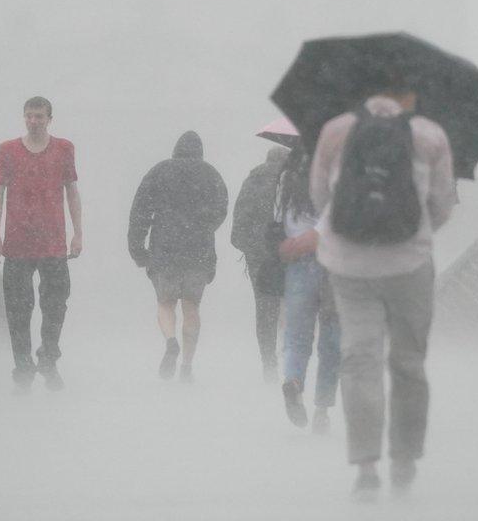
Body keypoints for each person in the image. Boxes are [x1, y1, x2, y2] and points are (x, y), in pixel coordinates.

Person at [308, 80, 455, 496]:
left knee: (359, 359)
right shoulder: (430, 133)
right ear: (406, 93)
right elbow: (442, 203)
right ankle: (405, 457)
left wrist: (357, 228)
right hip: (409, 264)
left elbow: (321, 198)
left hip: (349, 265)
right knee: (408, 363)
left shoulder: (337, 130)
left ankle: (367, 467)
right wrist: (412, 232)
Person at [0, 96, 82, 391]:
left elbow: (72, 192)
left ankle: (48, 358)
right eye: (29, 116)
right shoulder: (8, 150)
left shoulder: (64, 149)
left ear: (49, 118)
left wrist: (77, 232)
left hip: (53, 243)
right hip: (17, 244)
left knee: (56, 306)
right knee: (18, 310)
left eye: (39, 116)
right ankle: (23, 367)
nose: (33, 121)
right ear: (24, 118)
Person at [128, 131, 228, 383]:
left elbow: (140, 210)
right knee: (192, 306)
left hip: (165, 248)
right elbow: (221, 211)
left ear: (175, 150)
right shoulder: (211, 174)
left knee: (165, 302)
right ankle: (186, 365)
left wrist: (137, 248)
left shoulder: (160, 171)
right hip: (199, 250)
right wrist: (202, 226)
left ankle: (171, 341)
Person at [276, 146, 340, 434]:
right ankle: (322, 410)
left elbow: (279, 221)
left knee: (296, 335)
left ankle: (293, 381)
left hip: (299, 263)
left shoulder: (288, 176)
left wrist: (293, 243)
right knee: (331, 340)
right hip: (336, 265)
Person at [231, 145, 289, 382]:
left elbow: (239, 222)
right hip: (288, 253)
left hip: (259, 258)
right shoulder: (294, 183)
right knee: (288, 305)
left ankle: (268, 361)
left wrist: (250, 247)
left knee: (264, 309)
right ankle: (288, 356)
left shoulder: (252, 181)